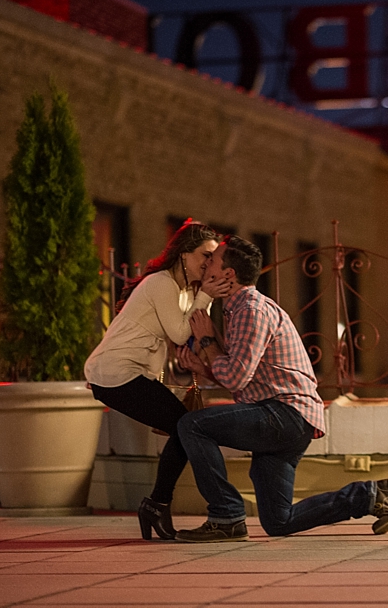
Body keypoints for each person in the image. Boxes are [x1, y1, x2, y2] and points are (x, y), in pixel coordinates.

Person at [173, 235, 388, 542]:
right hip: (285, 416)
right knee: (279, 521)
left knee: (192, 426)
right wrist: (203, 366)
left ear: (229, 275)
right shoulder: (239, 310)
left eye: (213, 259)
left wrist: (208, 340)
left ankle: (225, 514)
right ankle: (369, 496)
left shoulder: (251, 309)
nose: (207, 261)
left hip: (284, 413)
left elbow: (236, 378)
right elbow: (242, 371)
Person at [84, 221, 231, 541]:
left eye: (214, 258)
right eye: (205, 256)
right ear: (183, 254)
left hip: (125, 373)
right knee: (186, 426)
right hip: (116, 372)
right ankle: (158, 504)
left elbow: (176, 336)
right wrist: (206, 294)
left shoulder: (178, 291)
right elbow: (180, 332)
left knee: (185, 428)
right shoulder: (161, 283)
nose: (209, 264)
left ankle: (157, 504)